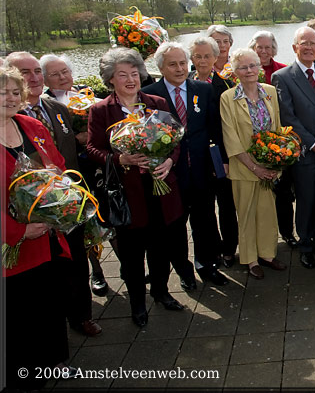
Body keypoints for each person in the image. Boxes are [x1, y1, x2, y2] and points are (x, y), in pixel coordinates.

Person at [87, 47, 186, 327]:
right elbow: (93, 148)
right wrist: (120, 158)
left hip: (160, 187)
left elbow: (175, 139)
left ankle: (162, 292)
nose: (131, 79)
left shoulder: (156, 102)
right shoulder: (100, 110)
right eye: (122, 75)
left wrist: (168, 162)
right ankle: (137, 304)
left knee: (161, 248)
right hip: (129, 193)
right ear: (110, 79)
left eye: (134, 73)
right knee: (132, 254)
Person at [7, 51, 102, 338]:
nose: (34, 78)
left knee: (75, 261)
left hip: (67, 203)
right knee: (44, 275)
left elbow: (69, 155)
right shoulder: (10, 116)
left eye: (37, 71)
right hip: (27, 213)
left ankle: (81, 315)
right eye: (25, 73)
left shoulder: (60, 109)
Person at [2, 67, 75, 390]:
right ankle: (22, 375)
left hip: (48, 237)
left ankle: (53, 362)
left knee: (49, 304)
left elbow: (57, 165)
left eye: (15, 92)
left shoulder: (31, 124)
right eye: (2, 92)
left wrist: (61, 199)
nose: (11, 98)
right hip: (12, 246)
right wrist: (18, 232)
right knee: (18, 314)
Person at [143, 42, 231, 288]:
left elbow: (215, 127)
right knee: (175, 226)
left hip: (202, 170)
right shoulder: (149, 94)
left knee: (204, 221)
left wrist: (222, 161)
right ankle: (184, 270)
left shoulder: (203, 89)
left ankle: (207, 265)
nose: (180, 68)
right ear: (161, 66)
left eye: (183, 62)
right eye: (173, 64)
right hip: (170, 174)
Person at [40, 52, 111, 296]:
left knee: (108, 216)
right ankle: (97, 271)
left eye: (65, 72)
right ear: (45, 79)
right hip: (68, 176)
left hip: (96, 169)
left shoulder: (86, 93)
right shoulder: (44, 103)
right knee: (82, 223)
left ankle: (126, 268)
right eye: (54, 74)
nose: (62, 77)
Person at [273, 27, 315, 269]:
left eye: (314, 42)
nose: (310, 47)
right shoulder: (282, 77)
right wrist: (312, 143)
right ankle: (306, 244)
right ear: (295, 48)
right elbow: (287, 117)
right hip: (305, 152)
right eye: (304, 43)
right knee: (306, 200)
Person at [219, 48, 287, 278]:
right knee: (246, 214)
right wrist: (255, 167)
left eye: (252, 66)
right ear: (234, 71)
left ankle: (268, 254)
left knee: (268, 212)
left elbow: (276, 128)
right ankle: (250, 260)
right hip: (244, 168)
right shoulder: (228, 98)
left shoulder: (269, 91)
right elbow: (231, 137)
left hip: (268, 166)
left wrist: (275, 162)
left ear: (259, 67)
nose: (249, 71)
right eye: (243, 67)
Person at [188, 36, 241, 266]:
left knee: (227, 204)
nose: (202, 60)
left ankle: (229, 248)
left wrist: (229, 157)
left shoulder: (227, 85)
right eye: (197, 56)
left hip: (222, 155)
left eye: (207, 56)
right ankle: (212, 248)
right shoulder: (186, 82)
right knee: (204, 207)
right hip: (197, 158)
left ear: (216, 57)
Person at [244, 31, 297, 248]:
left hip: (279, 141)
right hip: (251, 143)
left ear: (273, 49)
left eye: (267, 47)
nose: (263, 51)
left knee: (283, 193)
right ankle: (260, 238)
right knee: (257, 196)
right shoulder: (242, 71)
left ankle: (287, 232)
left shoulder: (283, 70)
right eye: (259, 47)